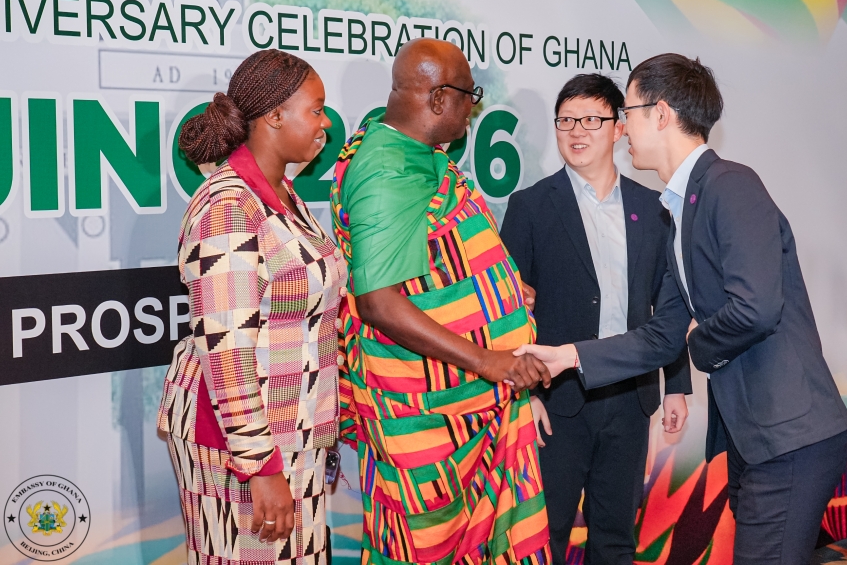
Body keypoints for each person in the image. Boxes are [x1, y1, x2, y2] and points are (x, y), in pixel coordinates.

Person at [516, 54, 847, 564]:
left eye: (628, 112)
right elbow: (662, 333)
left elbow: (756, 307)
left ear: (661, 114)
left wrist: (697, 343)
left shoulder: (730, 186)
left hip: (788, 432)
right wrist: (571, 357)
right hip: (754, 436)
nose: (623, 127)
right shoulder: (679, 209)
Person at [330, 38, 552, 564]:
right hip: (425, 417)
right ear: (438, 98)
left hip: (469, 404)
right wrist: (489, 361)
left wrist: (497, 285)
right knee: (423, 548)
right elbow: (379, 303)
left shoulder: (418, 153)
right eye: (470, 95)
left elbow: (431, 258)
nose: (473, 107)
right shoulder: (386, 171)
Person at [158, 49, 345, 564]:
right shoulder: (228, 207)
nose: (326, 123)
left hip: (290, 432)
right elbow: (226, 350)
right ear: (275, 115)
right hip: (242, 444)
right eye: (316, 109)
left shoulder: (281, 193)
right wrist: (260, 467)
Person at [500, 73, 691, 564]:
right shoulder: (530, 206)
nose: (576, 132)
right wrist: (526, 395)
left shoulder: (654, 208)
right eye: (566, 121)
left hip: (630, 397)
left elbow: (668, 305)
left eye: (590, 120)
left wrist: (676, 386)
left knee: (615, 536)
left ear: (618, 129)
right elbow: (507, 311)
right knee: (546, 535)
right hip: (555, 401)